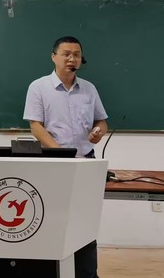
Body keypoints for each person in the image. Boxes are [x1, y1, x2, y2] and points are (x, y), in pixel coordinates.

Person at [23, 35, 108, 278]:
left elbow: (101, 121)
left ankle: (87, 274)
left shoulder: (89, 89)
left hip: (86, 162)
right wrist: (59, 151)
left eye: (77, 55)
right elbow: (36, 126)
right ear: (54, 57)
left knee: (85, 222)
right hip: (53, 163)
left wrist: (98, 132)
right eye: (66, 54)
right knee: (50, 219)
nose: (72, 59)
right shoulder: (38, 87)